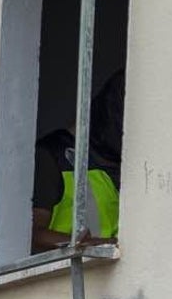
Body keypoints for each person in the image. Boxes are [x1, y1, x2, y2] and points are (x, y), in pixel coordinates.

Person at [31, 70, 125, 253]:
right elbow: (33, 235)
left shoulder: (118, 165)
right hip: (66, 276)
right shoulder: (53, 156)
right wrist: (97, 245)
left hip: (110, 276)